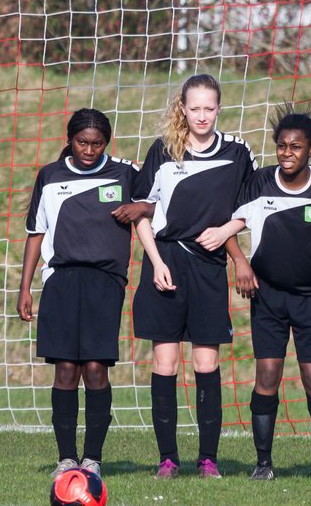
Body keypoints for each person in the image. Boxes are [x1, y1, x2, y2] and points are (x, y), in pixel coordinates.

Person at [211, 111, 311, 481]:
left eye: (296, 147)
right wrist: (241, 264)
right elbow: (230, 228)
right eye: (282, 146)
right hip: (267, 296)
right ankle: (263, 464)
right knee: (266, 375)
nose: (288, 153)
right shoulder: (258, 182)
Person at [130, 73, 257, 478]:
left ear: (219, 108)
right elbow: (142, 214)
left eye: (209, 108)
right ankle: (167, 459)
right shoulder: (164, 150)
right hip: (165, 261)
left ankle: (208, 459)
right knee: (165, 363)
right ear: (182, 108)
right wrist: (156, 261)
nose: (202, 116)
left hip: (208, 266)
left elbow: (253, 207)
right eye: (194, 108)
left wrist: (226, 232)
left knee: (206, 364)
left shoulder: (237, 152)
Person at [17, 108, 142, 477]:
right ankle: (67, 458)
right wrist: (25, 287)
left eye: (97, 143)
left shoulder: (124, 173)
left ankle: (93, 459)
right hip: (60, 281)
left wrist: (141, 206)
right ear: (69, 140)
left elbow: (161, 201)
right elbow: (36, 233)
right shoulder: (50, 176)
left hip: (105, 282)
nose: (89, 149)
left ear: (107, 143)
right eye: (82, 142)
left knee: (96, 369)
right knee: (66, 370)